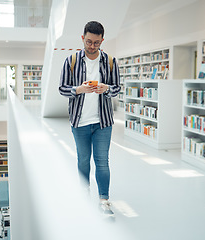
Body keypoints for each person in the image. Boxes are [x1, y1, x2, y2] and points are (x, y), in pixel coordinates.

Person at [58, 21, 121, 217]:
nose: (92, 46)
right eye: (88, 41)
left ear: (102, 40)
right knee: (83, 161)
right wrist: (79, 89)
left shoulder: (110, 61)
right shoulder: (71, 61)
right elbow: (62, 88)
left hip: (103, 122)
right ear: (82, 38)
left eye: (96, 42)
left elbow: (117, 88)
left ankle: (104, 200)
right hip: (80, 122)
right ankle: (83, 196)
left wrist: (107, 89)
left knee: (102, 162)